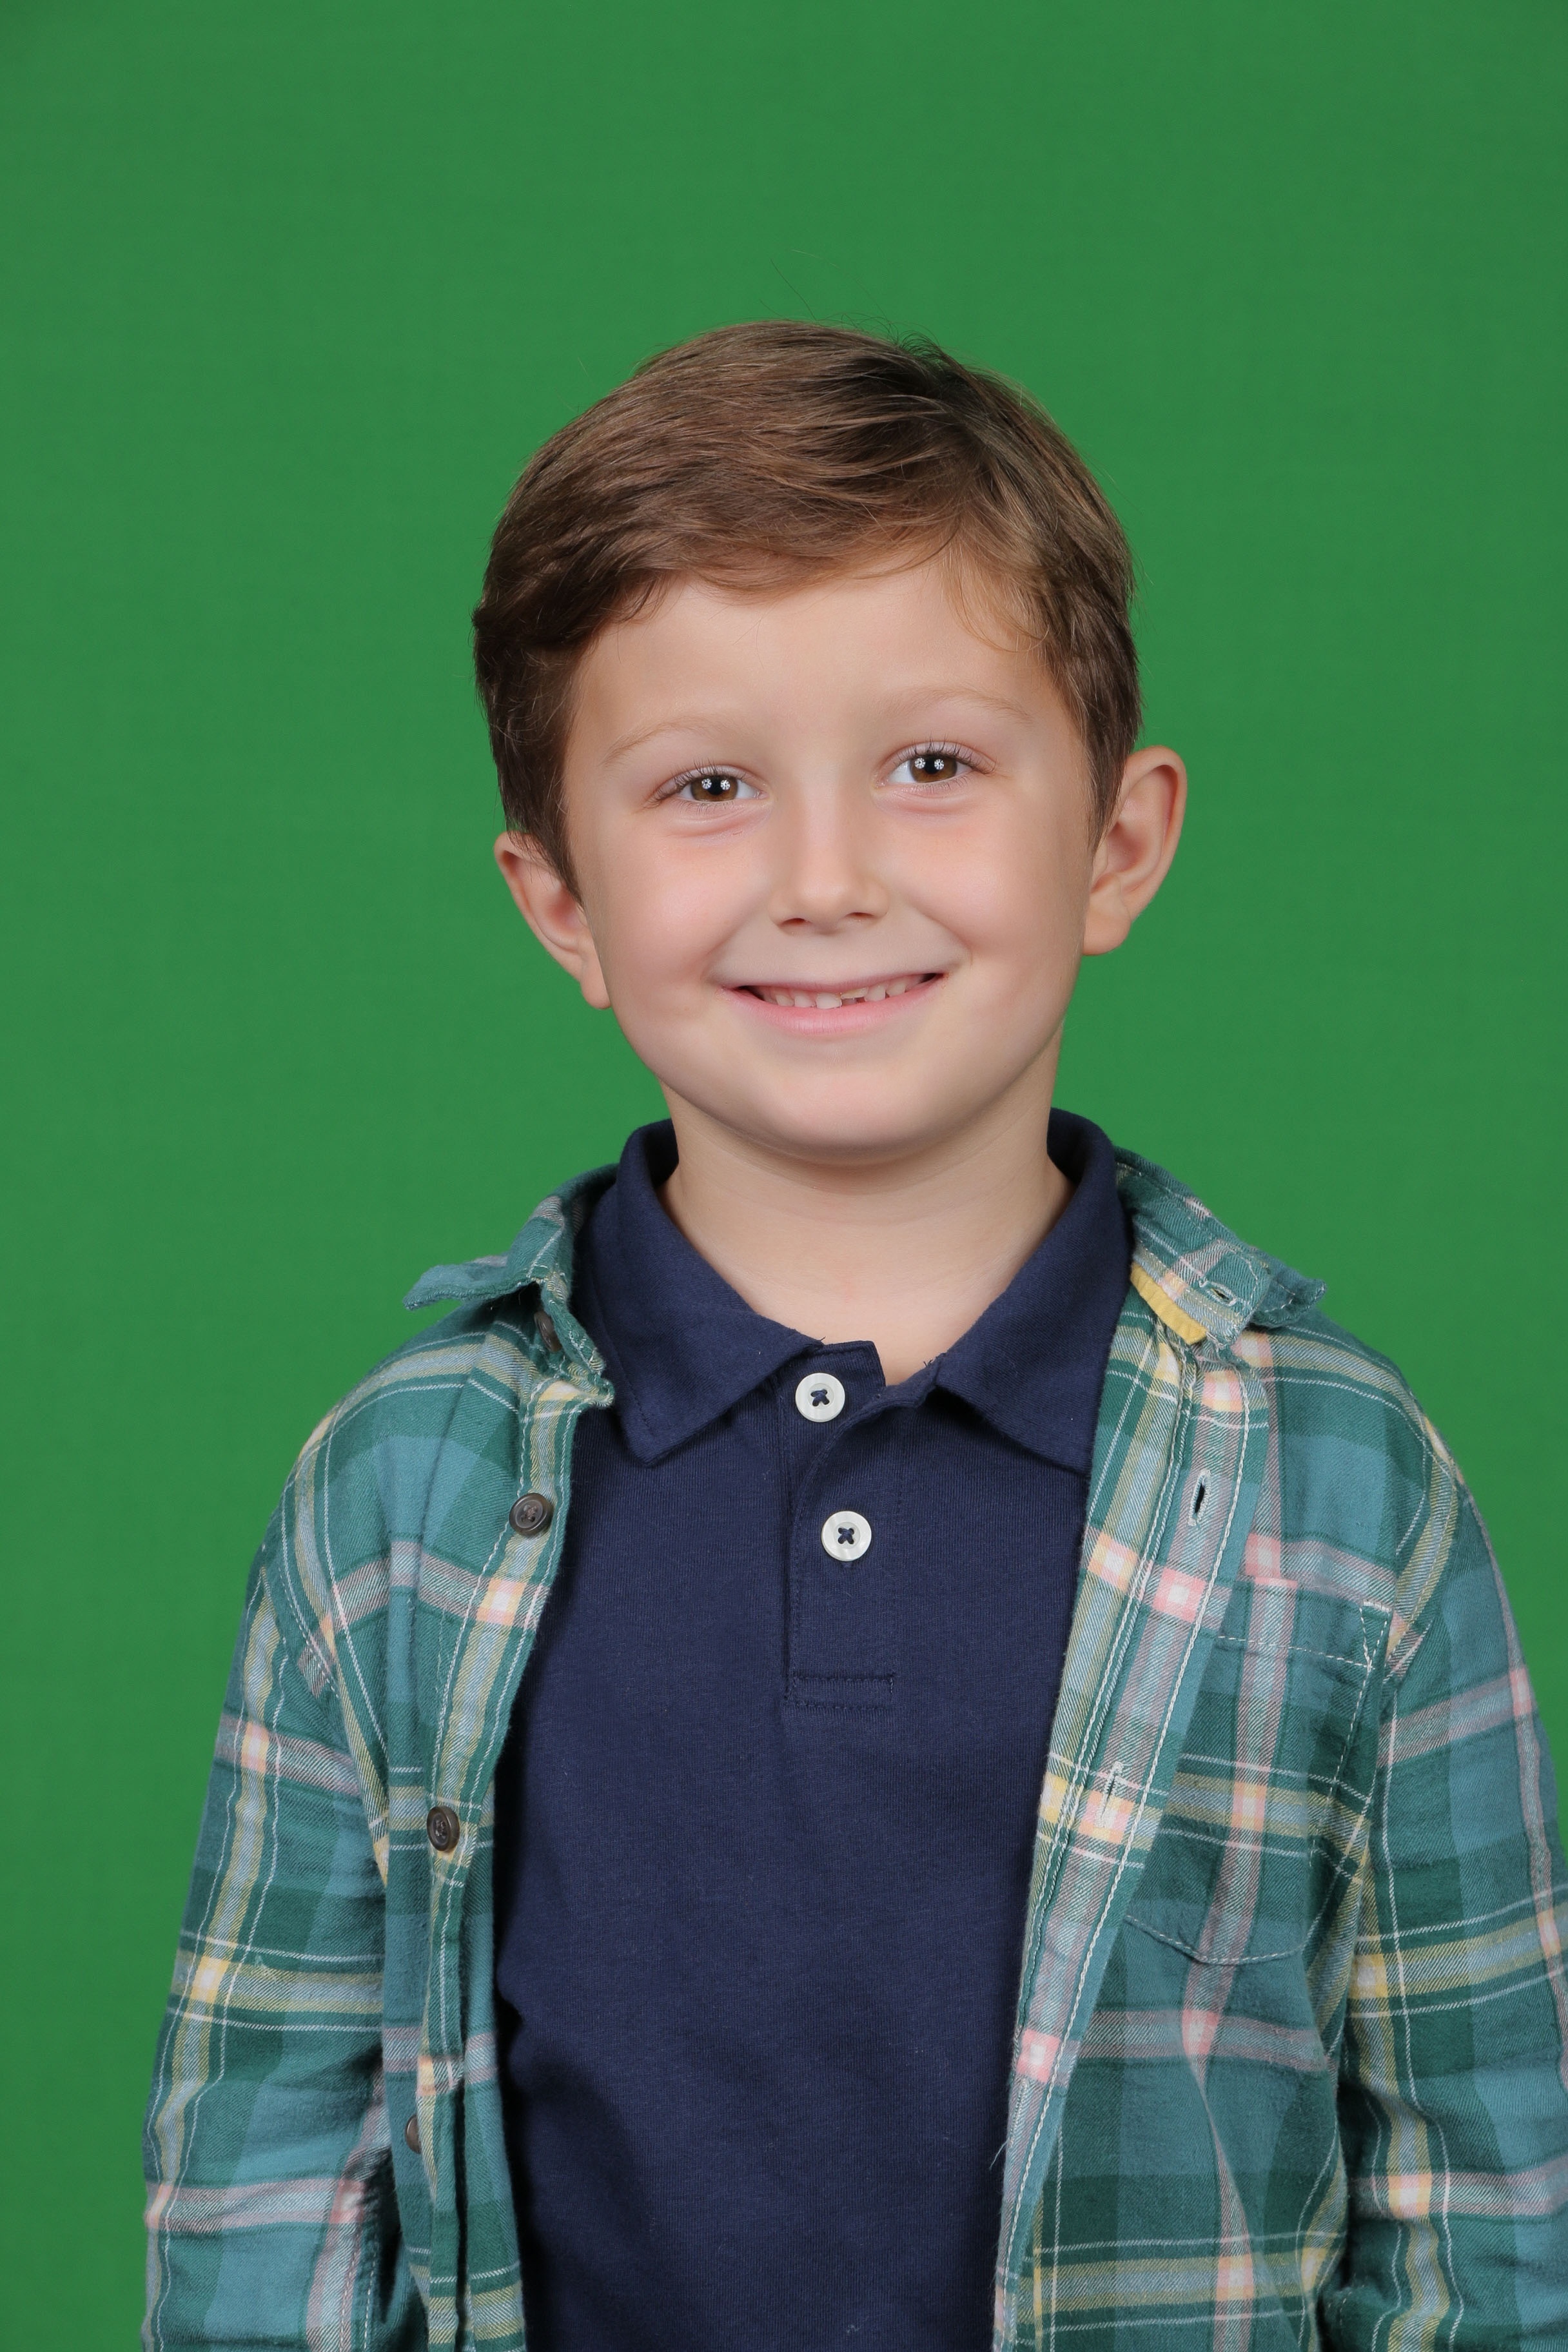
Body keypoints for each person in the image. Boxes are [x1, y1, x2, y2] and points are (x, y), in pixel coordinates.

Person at [142, 322, 1568, 2352]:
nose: (827, 879)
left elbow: (1491, 2190)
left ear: (1119, 841)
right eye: (709, 786)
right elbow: (265, 2173)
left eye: (933, 766)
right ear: (562, 903)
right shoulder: (401, 1485)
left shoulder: (1339, 1481)